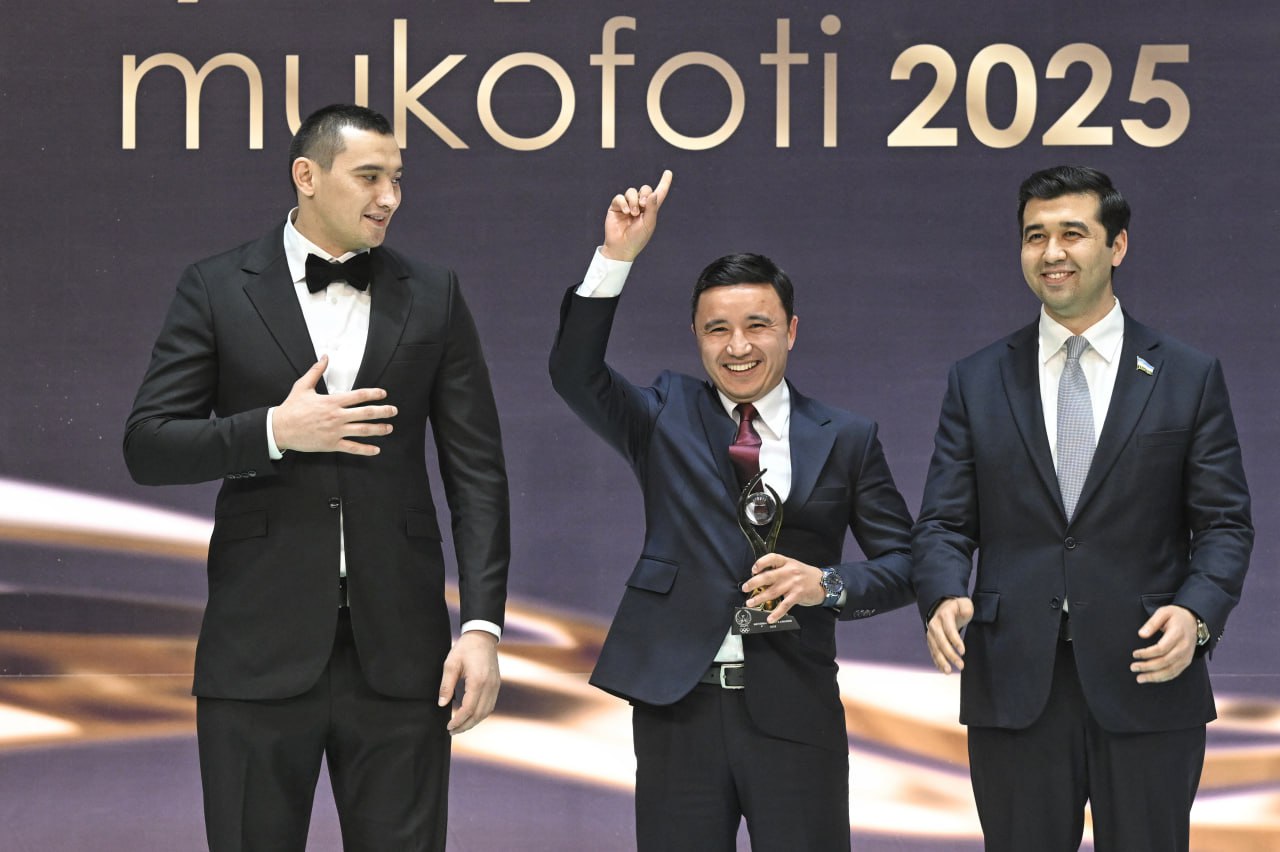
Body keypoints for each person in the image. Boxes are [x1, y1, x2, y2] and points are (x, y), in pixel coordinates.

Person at [124, 104, 510, 852]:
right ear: (307, 175)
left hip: (403, 653)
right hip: (256, 648)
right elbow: (149, 446)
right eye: (369, 177)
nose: (389, 197)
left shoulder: (435, 292)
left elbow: (478, 475)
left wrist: (483, 627)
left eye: (397, 179)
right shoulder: (215, 286)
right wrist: (274, 430)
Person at [549, 170, 914, 851]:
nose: (737, 347)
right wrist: (616, 258)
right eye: (717, 329)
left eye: (757, 326)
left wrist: (827, 583)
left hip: (797, 707)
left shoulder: (847, 436)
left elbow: (907, 563)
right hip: (679, 704)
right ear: (695, 334)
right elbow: (574, 373)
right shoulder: (663, 414)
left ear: (791, 331)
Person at [912, 165, 1253, 852]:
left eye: (1072, 233)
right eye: (1034, 236)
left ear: (1116, 245)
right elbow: (945, 522)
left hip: (1148, 672)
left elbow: (1224, 524)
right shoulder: (977, 378)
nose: (1052, 252)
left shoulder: (1186, 375)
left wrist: (1196, 615)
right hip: (1015, 683)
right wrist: (942, 592)